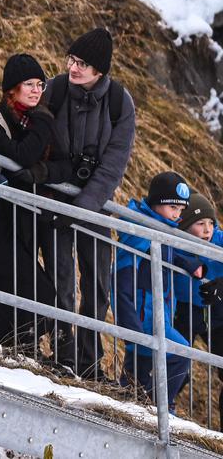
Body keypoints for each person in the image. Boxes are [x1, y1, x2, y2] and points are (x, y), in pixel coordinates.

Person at [42, 28, 136, 377]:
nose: (73, 67)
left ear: (99, 71)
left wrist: (80, 208)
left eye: (82, 63)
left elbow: (113, 165)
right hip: (55, 197)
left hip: (94, 204)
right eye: (71, 59)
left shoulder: (119, 103)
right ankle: (63, 348)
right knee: (60, 276)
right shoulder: (55, 89)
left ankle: (90, 357)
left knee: (96, 283)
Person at [0, 54, 57, 346]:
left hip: (27, 218)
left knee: (26, 290)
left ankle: (20, 348)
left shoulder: (36, 119)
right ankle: (8, 346)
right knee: (37, 290)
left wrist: (42, 171)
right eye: (29, 84)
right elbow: (20, 155)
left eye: (40, 84)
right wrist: (44, 125)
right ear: (12, 88)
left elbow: (62, 164)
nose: (37, 90)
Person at [114, 172, 202, 411]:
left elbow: (167, 254)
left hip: (156, 314)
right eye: (172, 207)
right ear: (156, 204)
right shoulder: (140, 232)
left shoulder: (161, 230)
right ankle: (160, 408)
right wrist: (129, 324)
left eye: (180, 210)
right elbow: (121, 279)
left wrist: (188, 263)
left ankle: (133, 405)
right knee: (180, 354)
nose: (177, 214)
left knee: (136, 375)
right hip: (143, 319)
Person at [172, 193, 223, 423]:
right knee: (178, 363)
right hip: (186, 310)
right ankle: (163, 410)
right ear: (185, 225)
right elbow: (168, 254)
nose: (207, 229)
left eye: (210, 223)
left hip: (217, 312)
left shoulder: (219, 240)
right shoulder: (174, 240)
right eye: (200, 223)